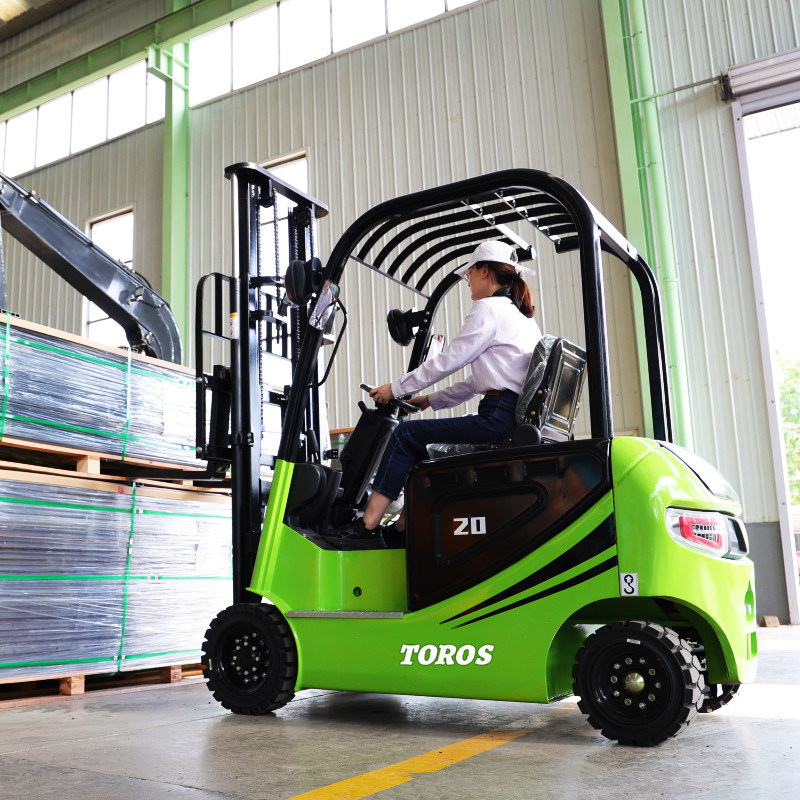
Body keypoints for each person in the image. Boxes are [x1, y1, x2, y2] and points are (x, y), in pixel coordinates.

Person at [329, 240, 542, 548]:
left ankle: (366, 525)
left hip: (496, 417)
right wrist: (430, 400)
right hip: (507, 414)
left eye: (470, 274)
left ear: (484, 271)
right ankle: (402, 529)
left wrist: (395, 388)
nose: (468, 281)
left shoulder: (488, 310)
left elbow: (449, 361)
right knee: (423, 447)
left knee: (404, 436)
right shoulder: (521, 317)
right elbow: (479, 380)